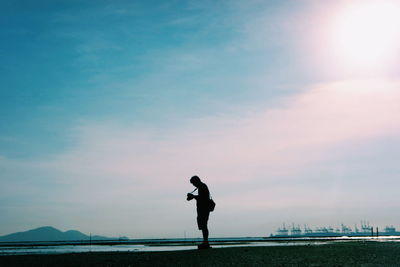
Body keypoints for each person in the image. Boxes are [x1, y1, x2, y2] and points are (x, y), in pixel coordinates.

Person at [187, 175, 211, 249]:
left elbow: (203, 198)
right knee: (204, 225)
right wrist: (193, 197)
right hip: (203, 208)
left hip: (204, 209)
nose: (193, 185)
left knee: (204, 225)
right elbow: (202, 197)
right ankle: (205, 242)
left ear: (196, 181)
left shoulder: (202, 186)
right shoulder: (201, 186)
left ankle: (206, 242)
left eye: (193, 183)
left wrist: (193, 196)